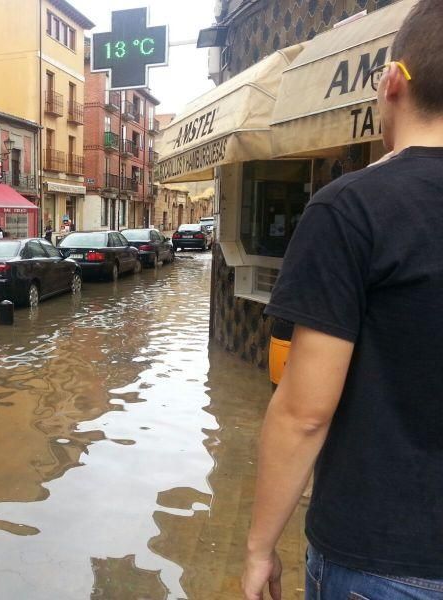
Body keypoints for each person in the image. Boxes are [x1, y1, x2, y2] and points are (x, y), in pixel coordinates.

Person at [242, 3, 443, 598]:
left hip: (382, 556)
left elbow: (305, 412)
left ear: (392, 84)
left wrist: (259, 549)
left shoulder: (352, 209)